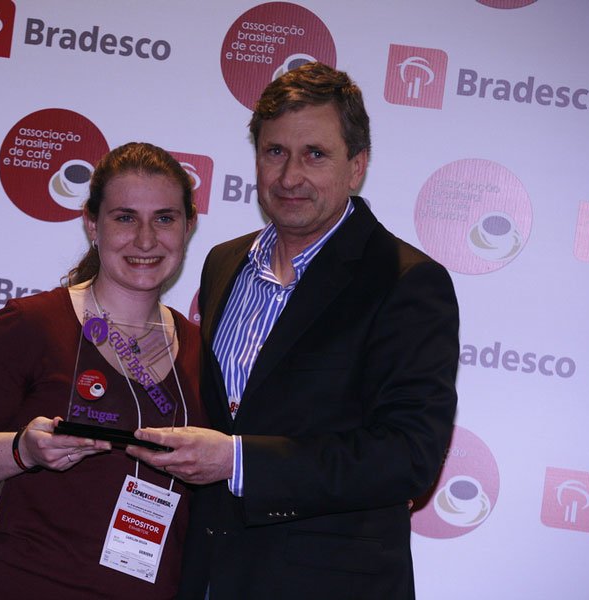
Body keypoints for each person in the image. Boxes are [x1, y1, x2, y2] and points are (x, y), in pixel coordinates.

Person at [127, 63, 460, 599]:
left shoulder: (406, 281)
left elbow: (409, 456)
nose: (289, 177)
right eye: (275, 151)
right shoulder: (223, 262)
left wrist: (238, 460)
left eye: (315, 154)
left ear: (357, 166)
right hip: (208, 575)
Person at [0, 142, 204, 599]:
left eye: (165, 218)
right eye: (125, 217)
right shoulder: (32, 324)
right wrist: (23, 450)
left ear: (188, 225)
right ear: (92, 224)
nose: (146, 239)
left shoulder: (202, 351)